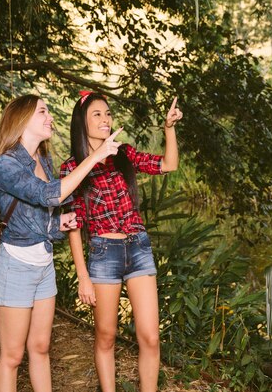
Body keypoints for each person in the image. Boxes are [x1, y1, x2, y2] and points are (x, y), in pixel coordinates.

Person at [0, 94, 124, 392]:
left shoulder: (43, 159)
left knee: (41, 347)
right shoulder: (6, 164)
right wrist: (95, 157)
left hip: (43, 266)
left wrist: (60, 224)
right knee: (12, 356)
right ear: (22, 119)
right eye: (43, 111)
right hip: (15, 266)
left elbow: (42, 217)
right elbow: (49, 195)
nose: (50, 117)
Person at [60, 91, 182, 392]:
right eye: (97, 114)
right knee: (106, 336)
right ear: (82, 123)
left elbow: (168, 165)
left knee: (151, 337)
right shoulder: (72, 168)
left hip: (138, 247)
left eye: (108, 113)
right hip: (103, 253)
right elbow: (73, 226)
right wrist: (83, 277)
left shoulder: (123, 153)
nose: (105, 119)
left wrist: (169, 129)